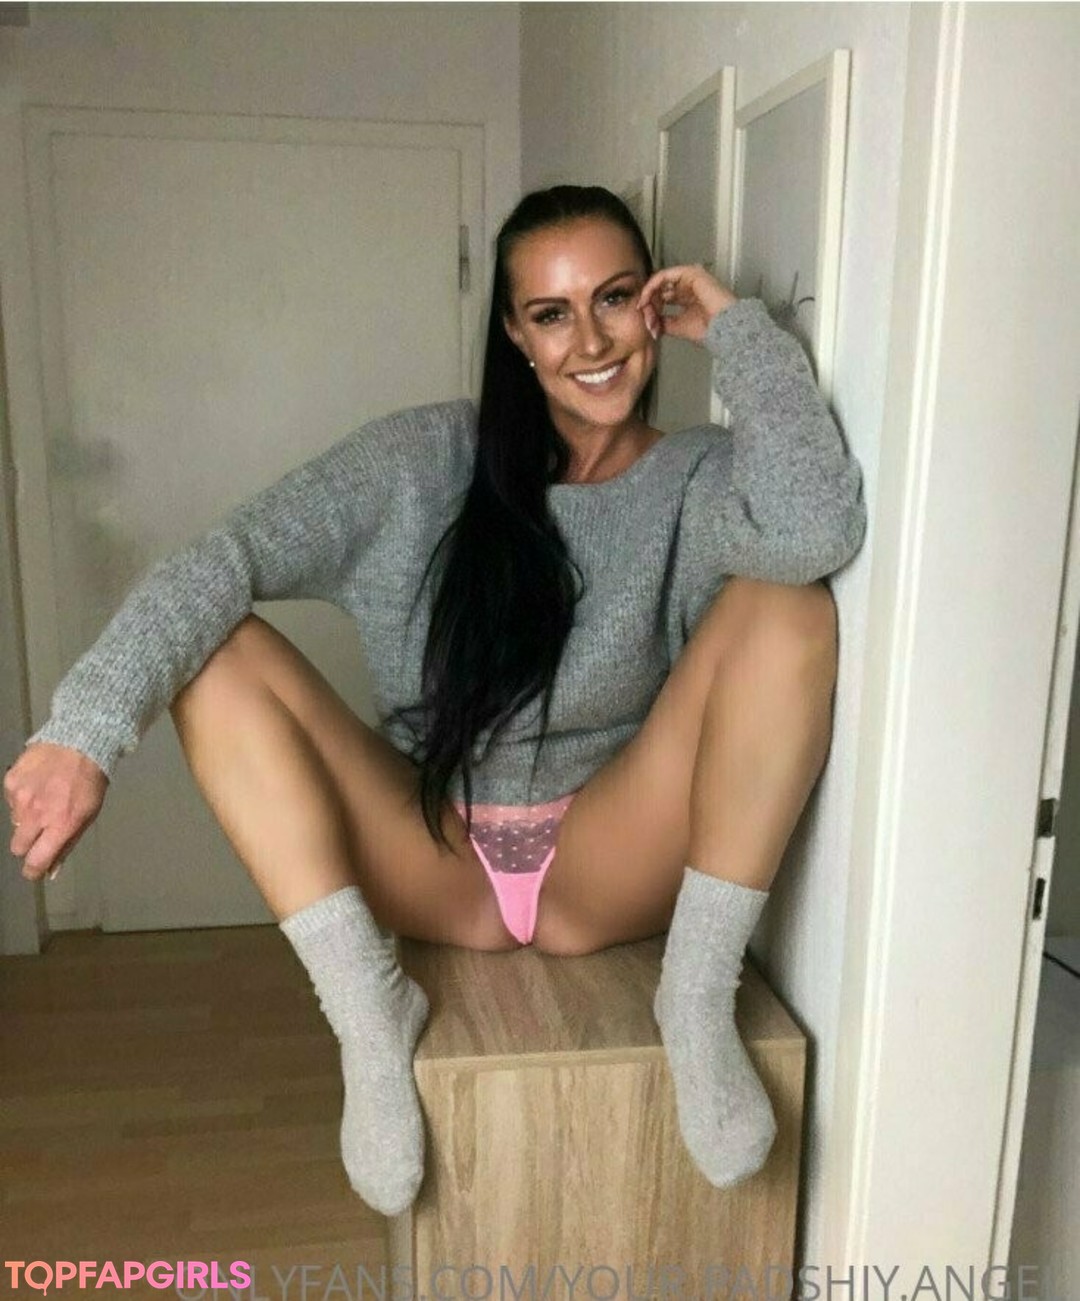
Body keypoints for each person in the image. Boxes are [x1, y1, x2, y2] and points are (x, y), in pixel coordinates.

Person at [4, 184, 867, 1217]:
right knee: (219, 653)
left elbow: (818, 530)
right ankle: (367, 1011)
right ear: (514, 332)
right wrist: (83, 733)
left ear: (654, 305)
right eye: (551, 313)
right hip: (435, 852)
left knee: (789, 603)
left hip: (610, 856)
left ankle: (695, 995)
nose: (591, 340)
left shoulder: (696, 476)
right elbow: (222, 555)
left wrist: (734, 328)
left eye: (615, 297)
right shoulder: (422, 461)